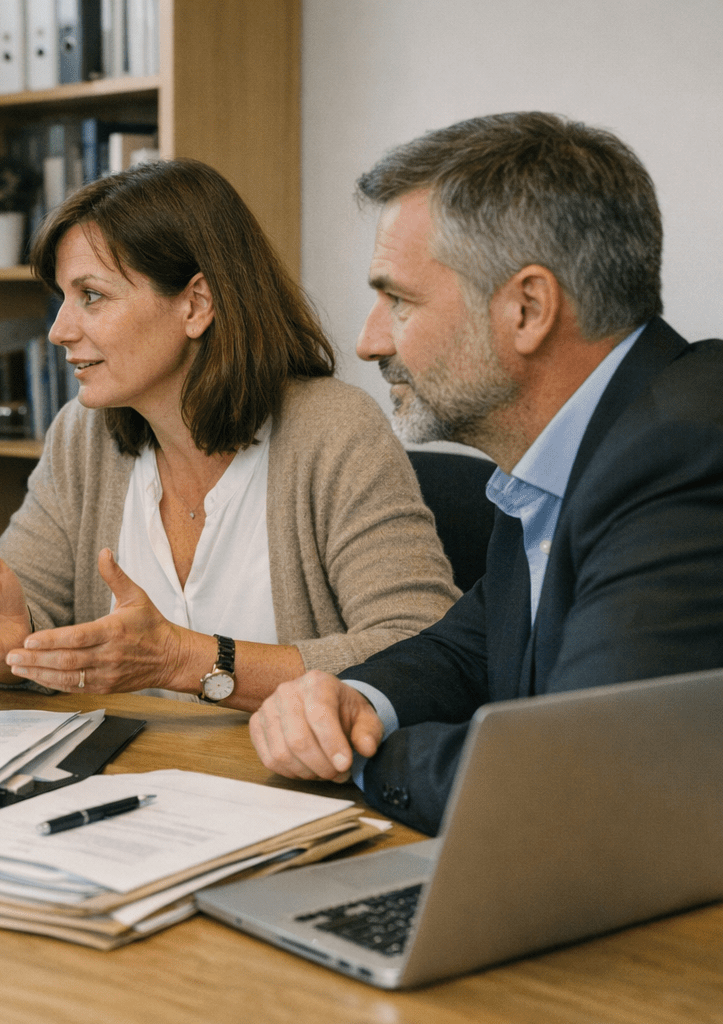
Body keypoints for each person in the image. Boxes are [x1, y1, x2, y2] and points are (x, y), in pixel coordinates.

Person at [249, 112, 723, 836]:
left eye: (398, 300)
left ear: (527, 309)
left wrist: (361, 756)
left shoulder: (682, 451)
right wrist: (354, 701)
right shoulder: (571, 443)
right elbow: (472, 645)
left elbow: (571, 773)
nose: (369, 339)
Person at [0, 159, 458, 708]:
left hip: (294, 785)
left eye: (91, 296)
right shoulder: (83, 435)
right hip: (132, 782)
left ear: (196, 304)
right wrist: (5, 649)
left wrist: (187, 660)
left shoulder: (334, 431)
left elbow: (423, 649)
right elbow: (18, 622)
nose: (59, 331)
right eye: (62, 299)